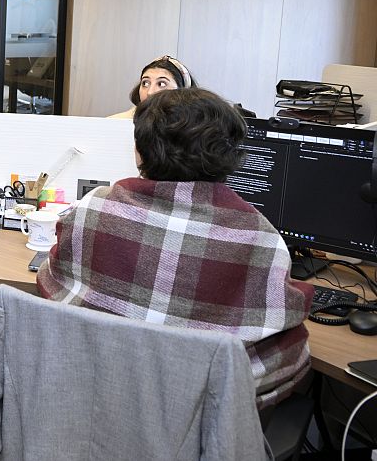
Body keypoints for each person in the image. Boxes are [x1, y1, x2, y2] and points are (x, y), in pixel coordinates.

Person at [37, 87, 311, 410]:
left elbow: (52, 278)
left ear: (139, 151)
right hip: (199, 429)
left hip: (92, 411)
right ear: (230, 156)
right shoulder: (262, 240)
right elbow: (287, 357)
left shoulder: (94, 209)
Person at [110, 54, 196, 118]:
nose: (150, 92)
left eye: (161, 84)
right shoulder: (116, 123)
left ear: (183, 91)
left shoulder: (197, 130)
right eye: (145, 83)